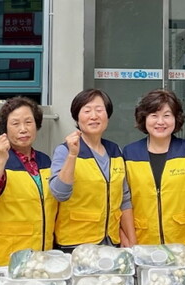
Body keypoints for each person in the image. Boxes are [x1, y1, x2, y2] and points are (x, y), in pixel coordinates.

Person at [122, 89, 185, 246]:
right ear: (144, 118)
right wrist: (124, 235)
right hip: (144, 242)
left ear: (176, 118)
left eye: (167, 115)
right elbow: (121, 199)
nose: (160, 122)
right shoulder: (129, 153)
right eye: (154, 115)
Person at [50, 89, 136, 249]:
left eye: (99, 110)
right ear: (77, 117)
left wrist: (131, 240)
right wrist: (72, 155)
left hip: (111, 242)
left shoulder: (115, 150)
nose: (94, 116)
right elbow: (60, 193)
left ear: (107, 116)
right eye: (87, 111)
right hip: (75, 244)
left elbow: (123, 199)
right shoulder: (65, 150)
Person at [0, 96, 55, 267]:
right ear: (4, 129)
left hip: (40, 256)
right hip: (6, 258)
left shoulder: (45, 161)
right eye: (15, 124)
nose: (23, 129)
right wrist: (1, 159)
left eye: (28, 122)